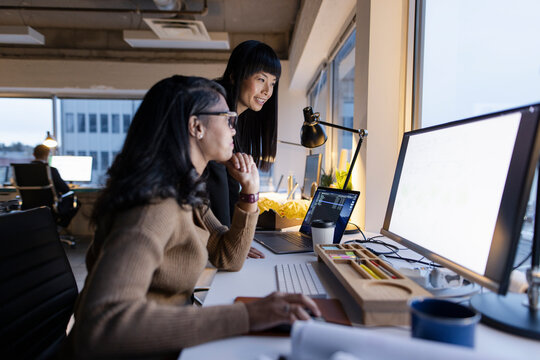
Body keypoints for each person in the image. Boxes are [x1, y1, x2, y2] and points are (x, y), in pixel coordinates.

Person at [61, 75, 320, 359]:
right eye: (227, 119)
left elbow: (228, 256)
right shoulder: (154, 207)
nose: (234, 130)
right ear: (196, 126)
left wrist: (249, 193)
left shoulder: (185, 192)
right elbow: (101, 327)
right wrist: (245, 315)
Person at [207, 40, 281, 259]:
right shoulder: (214, 113)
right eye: (261, 79)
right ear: (234, 76)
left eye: (273, 82)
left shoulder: (238, 120)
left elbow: (228, 186)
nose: (268, 91)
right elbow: (216, 184)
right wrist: (232, 239)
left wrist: (238, 234)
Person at [32, 144, 78, 227]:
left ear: (33, 155)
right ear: (47, 154)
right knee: (76, 201)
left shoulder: (23, 170)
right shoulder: (51, 170)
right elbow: (66, 190)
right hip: (50, 207)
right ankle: (57, 228)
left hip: (29, 207)